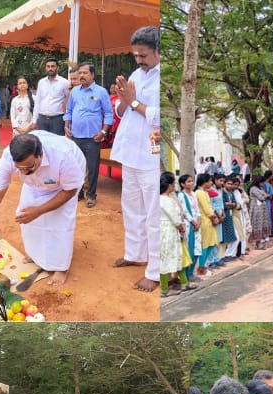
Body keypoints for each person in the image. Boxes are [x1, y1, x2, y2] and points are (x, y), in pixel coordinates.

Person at [0, 131, 86, 288]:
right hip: (37, 184)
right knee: (26, 217)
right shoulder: (8, 157)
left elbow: (69, 191)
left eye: (29, 167)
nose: (24, 172)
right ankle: (36, 255)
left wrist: (39, 211)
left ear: (40, 155)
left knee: (59, 222)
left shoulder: (64, 156)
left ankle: (61, 267)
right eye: (20, 168)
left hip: (63, 182)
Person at [112, 26, 161, 292]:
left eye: (143, 55)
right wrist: (123, 100)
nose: (139, 60)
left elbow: (158, 116)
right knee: (131, 208)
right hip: (130, 151)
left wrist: (132, 102)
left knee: (154, 215)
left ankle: (155, 272)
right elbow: (122, 112)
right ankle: (135, 254)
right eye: (136, 55)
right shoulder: (136, 74)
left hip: (151, 156)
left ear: (158, 51)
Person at [64, 62, 114, 208]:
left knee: (92, 168)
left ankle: (91, 195)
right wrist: (66, 126)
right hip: (76, 136)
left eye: (85, 73)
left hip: (93, 137)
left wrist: (103, 132)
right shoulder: (75, 92)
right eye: (80, 73)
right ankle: (78, 193)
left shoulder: (101, 92)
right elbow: (69, 110)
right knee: (76, 166)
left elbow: (109, 114)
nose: (81, 76)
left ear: (92, 74)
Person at [33, 58, 68, 136]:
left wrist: (67, 121)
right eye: (48, 66)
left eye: (53, 66)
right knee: (43, 142)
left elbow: (69, 100)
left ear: (57, 68)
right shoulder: (41, 82)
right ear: (46, 68)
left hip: (57, 120)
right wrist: (34, 120)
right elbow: (38, 101)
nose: (50, 69)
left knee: (57, 142)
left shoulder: (64, 82)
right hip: (42, 119)